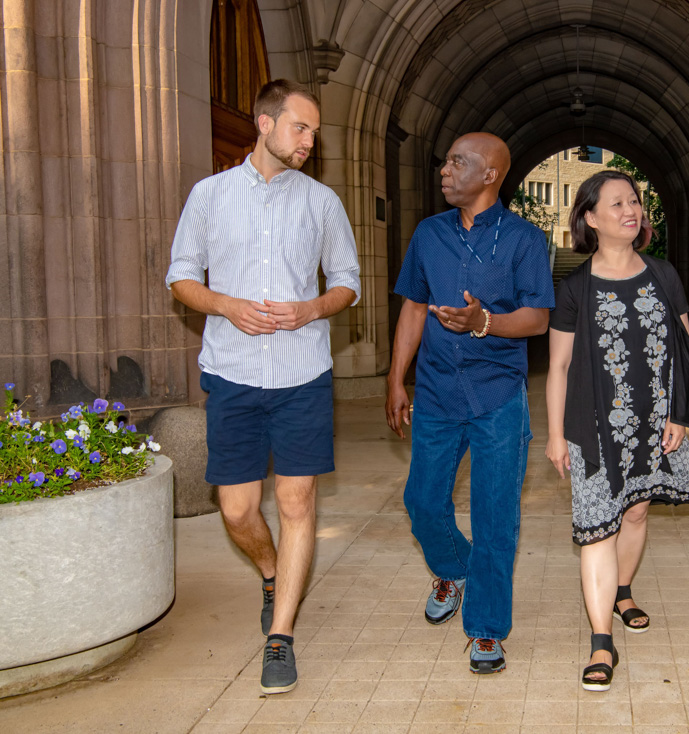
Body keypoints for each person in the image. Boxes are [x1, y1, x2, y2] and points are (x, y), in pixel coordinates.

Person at [165, 80, 360, 695]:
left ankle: (281, 637)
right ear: (264, 124)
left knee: (298, 502)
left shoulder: (323, 202)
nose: (309, 141)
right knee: (238, 509)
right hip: (232, 374)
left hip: (303, 374)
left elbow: (348, 281)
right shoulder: (209, 195)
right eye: (300, 128)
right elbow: (180, 277)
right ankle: (273, 570)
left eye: (314, 132)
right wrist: (224, 304)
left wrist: (312, 309)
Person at [386, 132, 554, 674]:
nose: (445, 169)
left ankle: (485, 630)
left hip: (498, 396)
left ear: (490, 175)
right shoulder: (428, 234)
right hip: (435, 392)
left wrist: (485, 321)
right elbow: (413, 308)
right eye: (446, 160)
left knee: (495, 517)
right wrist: (396, 380)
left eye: (459, 162)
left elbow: (538, 318)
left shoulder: (525, 240)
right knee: (423, 502)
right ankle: (453, 568)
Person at [546, 171, 689, 692]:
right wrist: (554, 434)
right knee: (599, 525)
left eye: (635, 201)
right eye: (617, 203)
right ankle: (601, 641)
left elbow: (683, 355)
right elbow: (558, 367)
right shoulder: (575, 287)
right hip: (593, 426)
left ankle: (623, 590)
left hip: (654, 422)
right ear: (590, 218)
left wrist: (679, 414)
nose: (631, 209)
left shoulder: (664, 275)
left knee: (636, 510)